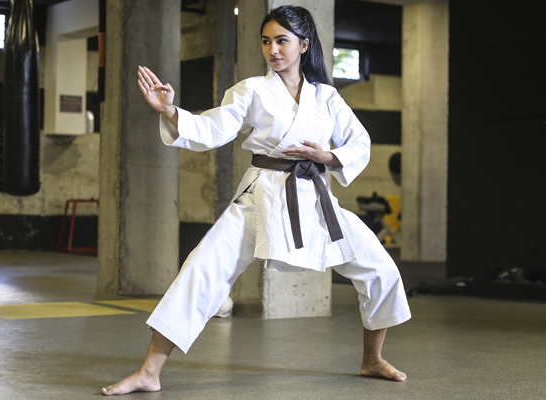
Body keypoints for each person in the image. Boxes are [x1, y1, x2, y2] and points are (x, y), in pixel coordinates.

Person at [101, 5, 411, 396]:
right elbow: (213, 128)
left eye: (282, 40)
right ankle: (149, 371)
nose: (273, 49)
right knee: (203, 267)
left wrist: (327, 157)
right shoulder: (252, 90)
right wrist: (171, 111)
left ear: (304, 44)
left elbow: (360, 142)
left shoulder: (327, 97)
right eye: (266, 41)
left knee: (380, 267)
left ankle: (372, 359)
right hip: (261, 195)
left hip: (315, 196)